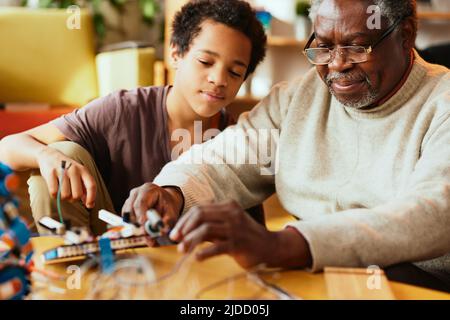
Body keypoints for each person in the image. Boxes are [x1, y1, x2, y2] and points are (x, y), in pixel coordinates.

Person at [122, 0, 450, 290]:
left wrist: (287, 244)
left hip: (415, 283)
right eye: (323, 46)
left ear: (405, 34)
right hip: (311, 274)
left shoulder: (443, 102)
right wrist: (172, 192)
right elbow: (229, 157)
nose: (336, 64)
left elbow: (431, 214)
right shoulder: (297, 97)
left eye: (356, 46)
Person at [0, 0, 267, 235]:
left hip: (188, 268)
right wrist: (47, 156)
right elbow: (7, 147)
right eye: (205, 62)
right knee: (62, 152)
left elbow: (253, 233)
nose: (218, 80)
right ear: (176, 54)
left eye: (234, 72)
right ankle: (74, 276)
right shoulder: (122, 110)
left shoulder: (237, 141)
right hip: (106, 253)